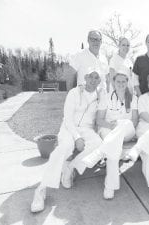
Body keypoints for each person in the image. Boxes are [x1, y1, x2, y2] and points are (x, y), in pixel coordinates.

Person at [31, 70, 106, 213]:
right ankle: (41, 191)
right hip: (68, 127)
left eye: (97, 77)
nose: (93, 79)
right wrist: (77, 137)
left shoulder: (99, 96)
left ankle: (70, 168)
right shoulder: (74, 92)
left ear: (99, 81)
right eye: (90, 76)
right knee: (65, 147)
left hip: (86, 129)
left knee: (98, 144)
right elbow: (68, 118)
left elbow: (100, 116)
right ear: (85, 77)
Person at [81, 72, 138, 199]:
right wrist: (112, 126)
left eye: (124, 81)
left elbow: (134, 121)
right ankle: (110, 186)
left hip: (127, 130)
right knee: (113, 145)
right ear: (113, 83)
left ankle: (99, 153)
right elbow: (99, 120)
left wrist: (118, 124)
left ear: (127, 82)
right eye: (118, 81)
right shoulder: (106, 98)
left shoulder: (133, 98)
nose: (121, 84)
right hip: (108, 129)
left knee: (125, 124)